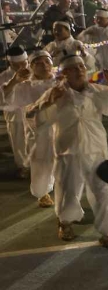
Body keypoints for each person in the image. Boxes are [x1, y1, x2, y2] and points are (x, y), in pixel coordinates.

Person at [30, 54, 108, 245]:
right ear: (65, 73)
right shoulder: (55, 94)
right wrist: (48, 103)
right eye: (75, 68)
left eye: (82, 66)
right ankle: (65, 222)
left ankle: (107, 233)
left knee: (103, 191)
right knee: (68, 189)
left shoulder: (96, 91)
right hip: (69, 151)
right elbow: (38, 123)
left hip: (96, 150)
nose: (81, 70)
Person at [7, 50, 57, 207]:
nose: (44, 66)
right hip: (38, 132)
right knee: (40, 163)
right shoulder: (24, 87)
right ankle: (42, 193)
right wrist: (14, 82)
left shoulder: (61, 81)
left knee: (64, 161)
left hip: (63, 128)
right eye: (39, 63)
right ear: (32, 66)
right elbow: (6, 100)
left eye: (47, 62)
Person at [1, 46, 31, 177]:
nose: (21, 67)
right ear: (10, 63)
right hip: (15, 113)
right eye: (17, 65)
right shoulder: (3, 76)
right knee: (18, 139)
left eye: (24, 63)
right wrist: (13, 82)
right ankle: (23, 166)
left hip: (34, 110)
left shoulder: (34, 70)